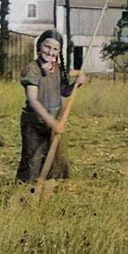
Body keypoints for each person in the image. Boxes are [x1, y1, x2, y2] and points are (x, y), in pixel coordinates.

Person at [16, 29, 87, 183]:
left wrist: (76, 84)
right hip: (35, 123)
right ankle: (26, 195)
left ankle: (51, 192)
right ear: (40, 46)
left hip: (55, 120)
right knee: (33, 161)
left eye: (55, 49)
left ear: (59, 51)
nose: (50, 52)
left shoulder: (57, 69)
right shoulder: (31, 70)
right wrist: (51, 122)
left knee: (57, 158)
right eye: (47, 47)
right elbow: (33, 100)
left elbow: (64, 92)